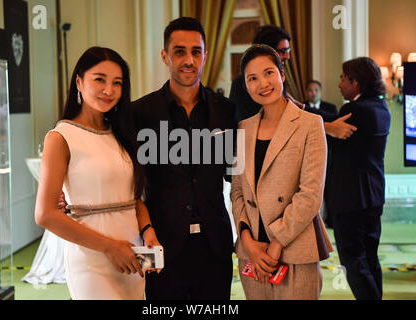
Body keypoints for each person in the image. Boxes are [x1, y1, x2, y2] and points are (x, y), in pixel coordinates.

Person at [34, 47, 160, 300]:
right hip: (91, 260)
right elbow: (45, 214)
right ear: (79, 81)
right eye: (99, 79)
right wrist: (110, 248)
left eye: (117, 83)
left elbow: (132, 199)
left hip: (132, 256)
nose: (109, 90)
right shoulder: (61, 137)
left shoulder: (121, 133)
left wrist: (148, 232)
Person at [132, 17, 237, 300]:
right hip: (156, 243)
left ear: (205, 55)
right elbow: (125, 181)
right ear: (164, 56)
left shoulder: (227, 111)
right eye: (179, 51)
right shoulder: (139, 113)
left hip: (216, 244)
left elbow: (239, 177)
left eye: (196, 51)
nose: (188, 59)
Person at [230, 44, 333, 300]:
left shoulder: (310, 124)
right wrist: (247, 241)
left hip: (294, 249)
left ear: (282, 75)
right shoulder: (242, 129)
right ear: (245, 85)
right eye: (252, 78)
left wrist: (276, 244)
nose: (262, 83)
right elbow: (237, 191)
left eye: (268, 73)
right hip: (252, 253)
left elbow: (309, 195)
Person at [324, 57, 391, 300]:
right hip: (373, 196)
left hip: (351, 199)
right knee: (370, 259)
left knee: (353, 262)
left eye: (343, 78)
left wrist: (299, 110)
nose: (339, 83)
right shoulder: (381, 108)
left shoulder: (354, 110)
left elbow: (329, 131)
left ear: (356, 82)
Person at [229, 25, 357, 141]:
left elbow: (295, 111)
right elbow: (268, 124)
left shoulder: (278, 81)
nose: (288, 56)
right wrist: (328, 128)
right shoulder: (241, 84)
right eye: (283, 51)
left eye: (288, 50)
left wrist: (334, 120)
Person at [304, 79, 337, 228]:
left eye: (316, 90)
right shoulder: (300, 108)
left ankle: (331, 220)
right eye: (310, 90)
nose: (313, 93)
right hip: (307, 152)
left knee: (330, 188)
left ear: (320, 91)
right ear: (307, 92)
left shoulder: (330, 108)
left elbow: (335, 130)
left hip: (328, 152)